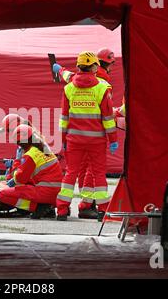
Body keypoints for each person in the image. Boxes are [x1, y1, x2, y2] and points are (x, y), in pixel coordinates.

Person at [53, 48, 118, 219]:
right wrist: (113, 139)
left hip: (74, 140)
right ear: (94, 67)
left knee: (70, 173)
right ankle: (103, 210)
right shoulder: (102, 88)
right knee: (98, 174)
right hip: (97, 141)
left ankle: (62, 210)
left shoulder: (69, 88)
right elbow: (108, 119)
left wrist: (63, 140)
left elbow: (64, 118)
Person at [0, 125, 63, 219]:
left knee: (3, 194)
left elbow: (20, 179)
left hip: (45, 193)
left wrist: (14, 168)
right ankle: (47, 207)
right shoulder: (43, 148)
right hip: (56, 194)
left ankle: (37, 207)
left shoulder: (30, 155)